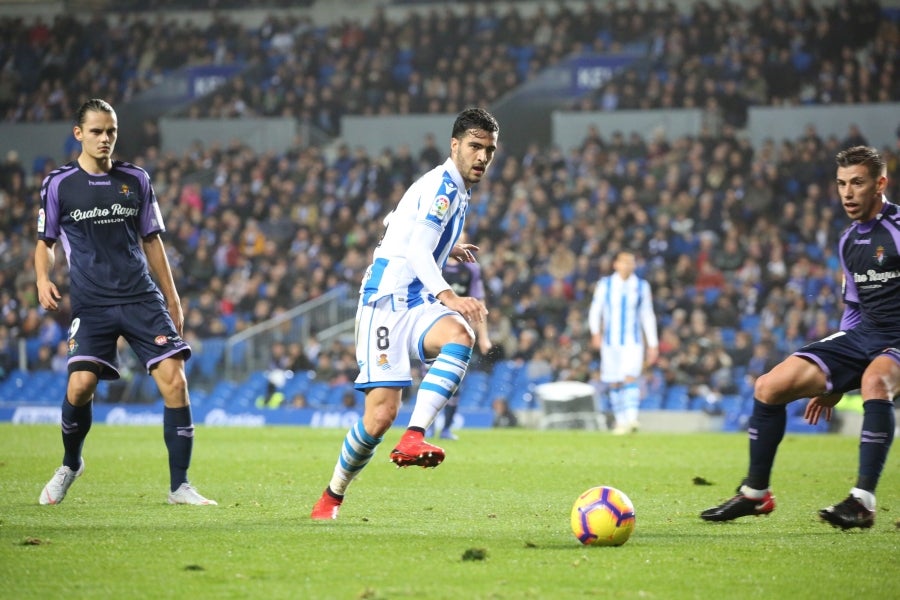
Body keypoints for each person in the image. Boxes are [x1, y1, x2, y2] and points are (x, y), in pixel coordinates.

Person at [310, 107, 499, 520]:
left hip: (414, 298)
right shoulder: (444, 188)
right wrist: (450, 295)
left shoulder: (451, 187)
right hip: (386, 300)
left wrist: (447, 246)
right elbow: (414, 249)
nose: (482, 157)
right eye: (475, 146)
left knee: (460, 336)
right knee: (379, 417)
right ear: (455, 145)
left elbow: (395, 220)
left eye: (489, 149)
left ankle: (414, 437)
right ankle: (332, 496)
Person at [701, 146, 898, 529]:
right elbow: (854, 309)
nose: (848, 193)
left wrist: (862, 371)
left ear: (880, 184)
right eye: (841, 184)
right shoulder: (847, 241)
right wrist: (839, 376)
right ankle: (755, 494)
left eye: (857, 183)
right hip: (865, 336)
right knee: (769, 386)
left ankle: (862, 501)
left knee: (876, 381)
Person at [35, 99, 216, 506]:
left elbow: (152, 240)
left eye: (111, 131)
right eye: (96, 131)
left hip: (139, 297)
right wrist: (42, 278)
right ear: (78, 133)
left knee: (175, 379)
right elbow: (44, 243)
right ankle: (70, 463)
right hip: (92, 303)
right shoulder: (59, 183)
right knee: (80, 386)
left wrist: (173, 299)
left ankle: (180, 486)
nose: (105, 139)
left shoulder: (135, 179)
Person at [588, 251, 659, 434]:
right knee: (614, 381)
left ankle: (632, 418)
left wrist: (653, 343)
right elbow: (596, 309)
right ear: (616, 265)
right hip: (610, 341)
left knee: (630, 376)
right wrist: (595, 332)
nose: (627, 266)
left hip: (632, 341)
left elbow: (647, 314)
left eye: (631, 262)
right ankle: (621, 421)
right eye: (624, 262)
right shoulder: (606, 285)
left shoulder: (641, 286)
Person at [434, 232, 493, 441]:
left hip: (458, 333)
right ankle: (427, 426)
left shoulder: (471, 269)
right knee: (430, 377)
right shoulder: (434, 265)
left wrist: (484, 337)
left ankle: (447, 428)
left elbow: (479, 303)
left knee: (452, 381)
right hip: (432, 329)